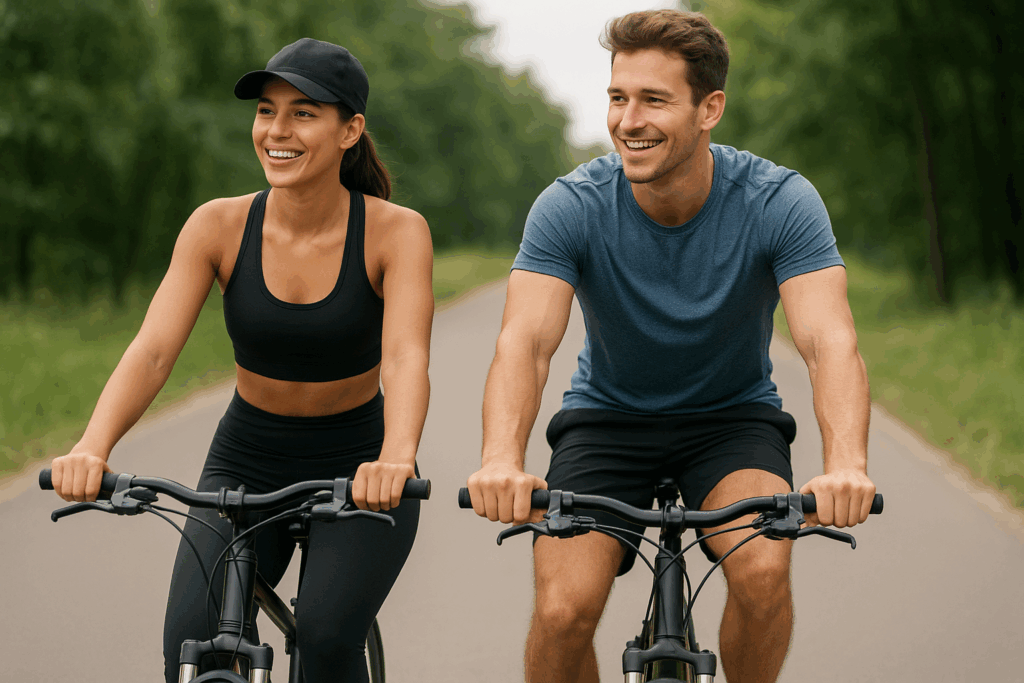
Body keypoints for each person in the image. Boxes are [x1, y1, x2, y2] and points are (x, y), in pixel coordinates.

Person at [465, 10, 876, 683]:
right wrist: (500, 459)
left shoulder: (779, 201)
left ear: (709, 108)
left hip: (732, 419)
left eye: (653, 99)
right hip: (607, 420)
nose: (629, 120)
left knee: (765, 570)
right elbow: (526, 342)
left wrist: (847, 464)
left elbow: (829, 339)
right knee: (565, 609)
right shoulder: (571, 205)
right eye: (618, 97)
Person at [47, 38, 434, 683]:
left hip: (360, 455)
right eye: (266, 110)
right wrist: (92, 445)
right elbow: (153, 349)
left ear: (350, 131)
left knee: (326, 639)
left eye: (304, 112)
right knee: (192, 646)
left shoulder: (396, 230)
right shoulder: (217, 226)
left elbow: (405, 353)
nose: (277, 131)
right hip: (247, 455)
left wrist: (396, 456)